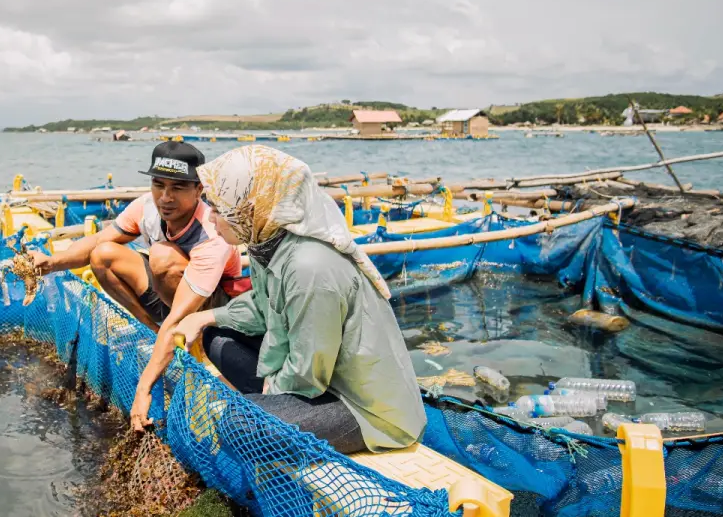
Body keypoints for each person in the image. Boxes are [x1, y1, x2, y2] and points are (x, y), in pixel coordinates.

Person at [130, 145, 426, 455]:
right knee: (217, 336)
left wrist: (266, 399)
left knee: (238, 423)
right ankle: (273, 405)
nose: (212, 219)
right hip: (321, 379)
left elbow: (307, 372)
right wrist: (204, 317)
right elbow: (262, 308)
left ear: (250, 207)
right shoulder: (265, 242)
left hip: (362, 406)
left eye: (219, 209)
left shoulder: (309, 266)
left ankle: (272, 409)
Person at [30, 140, 249, 332]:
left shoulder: (212, 233)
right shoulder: (146, 207)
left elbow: (199, 293)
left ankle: (194, 341)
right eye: (158, 185)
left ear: (198, 189)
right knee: (102, 253)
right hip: (168, 295)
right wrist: (50, 262)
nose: (165, 198)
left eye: (178, 188)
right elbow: (98, 240)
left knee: (163, 255)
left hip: (214, 308)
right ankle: (152, 328)